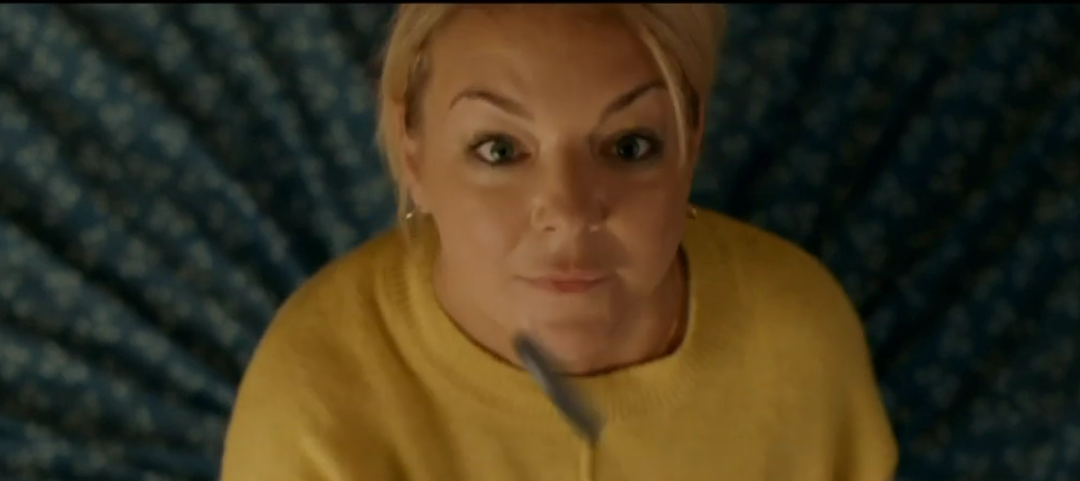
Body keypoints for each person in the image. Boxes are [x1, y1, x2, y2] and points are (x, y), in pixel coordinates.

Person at [220, 4, 897, 480]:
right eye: (500, 149)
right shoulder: (314, 401)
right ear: (413, 149)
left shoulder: (799, 337)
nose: (570, 214)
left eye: (628, 146)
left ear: (691, 144)